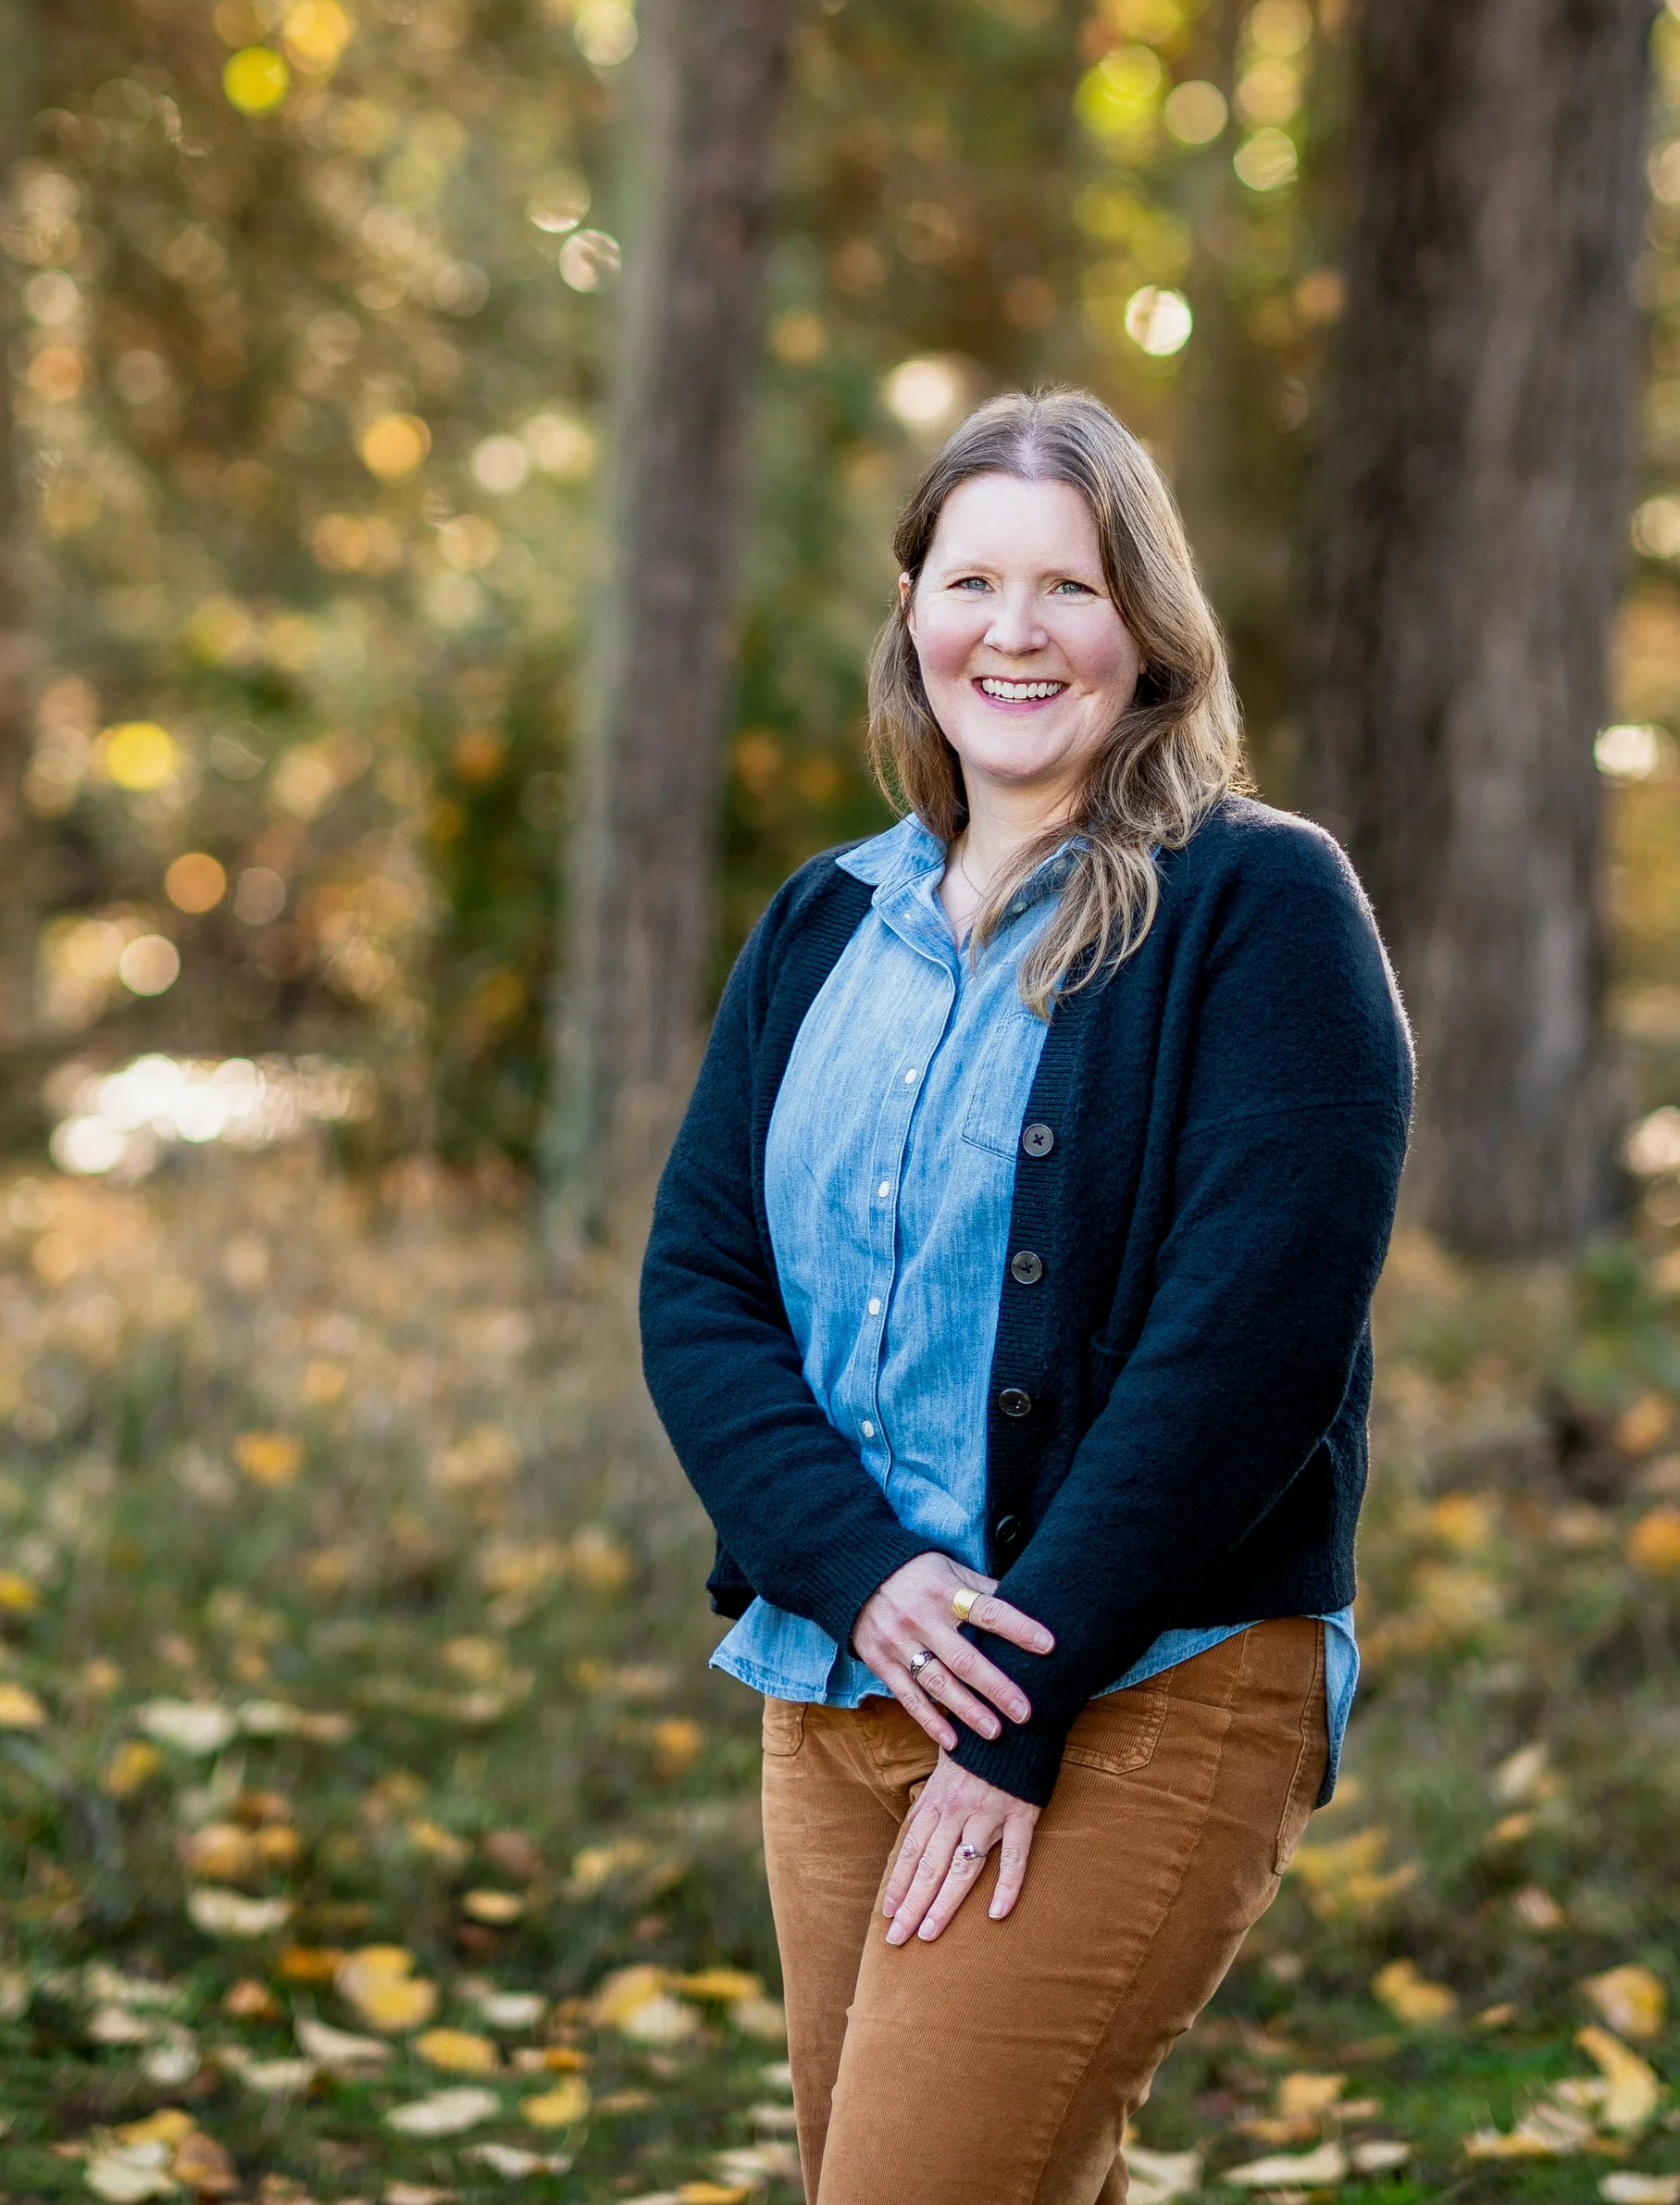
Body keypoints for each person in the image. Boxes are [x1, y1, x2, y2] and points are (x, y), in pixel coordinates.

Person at [639, 389, 1412, 2205]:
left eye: (1064, 585)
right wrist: (862, 1572)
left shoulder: (1255, 905)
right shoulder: (823, 923)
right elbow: (698, 1286)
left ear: (1145, 630)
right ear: (908, 612)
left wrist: (1014, 1694)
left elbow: (1252, 1340)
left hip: (1143, 1680)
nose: (1011, 629)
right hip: (835, 1688)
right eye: (968, 578)